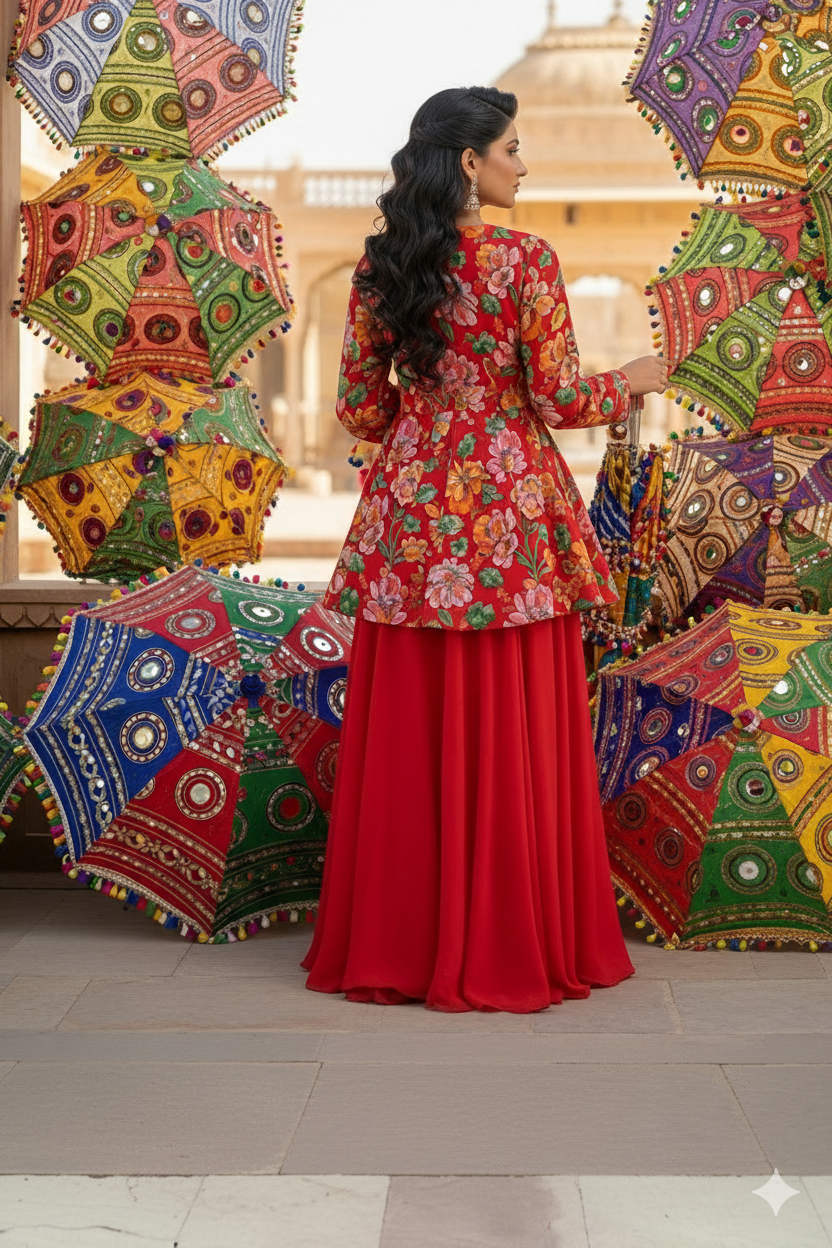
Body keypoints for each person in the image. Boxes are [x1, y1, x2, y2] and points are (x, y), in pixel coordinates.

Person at [302, 86, 668, 1013]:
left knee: (410, 724)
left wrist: (429, 415)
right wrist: (631, 380)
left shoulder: (384, 264)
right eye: (512, 148)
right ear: (470, 161)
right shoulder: (525, 260)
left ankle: (398, 943)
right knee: (511, 720)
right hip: (509, 518)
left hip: (414, 519)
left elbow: (359, 410)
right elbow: (559, 398)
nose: (523, 164)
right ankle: (510, 936)